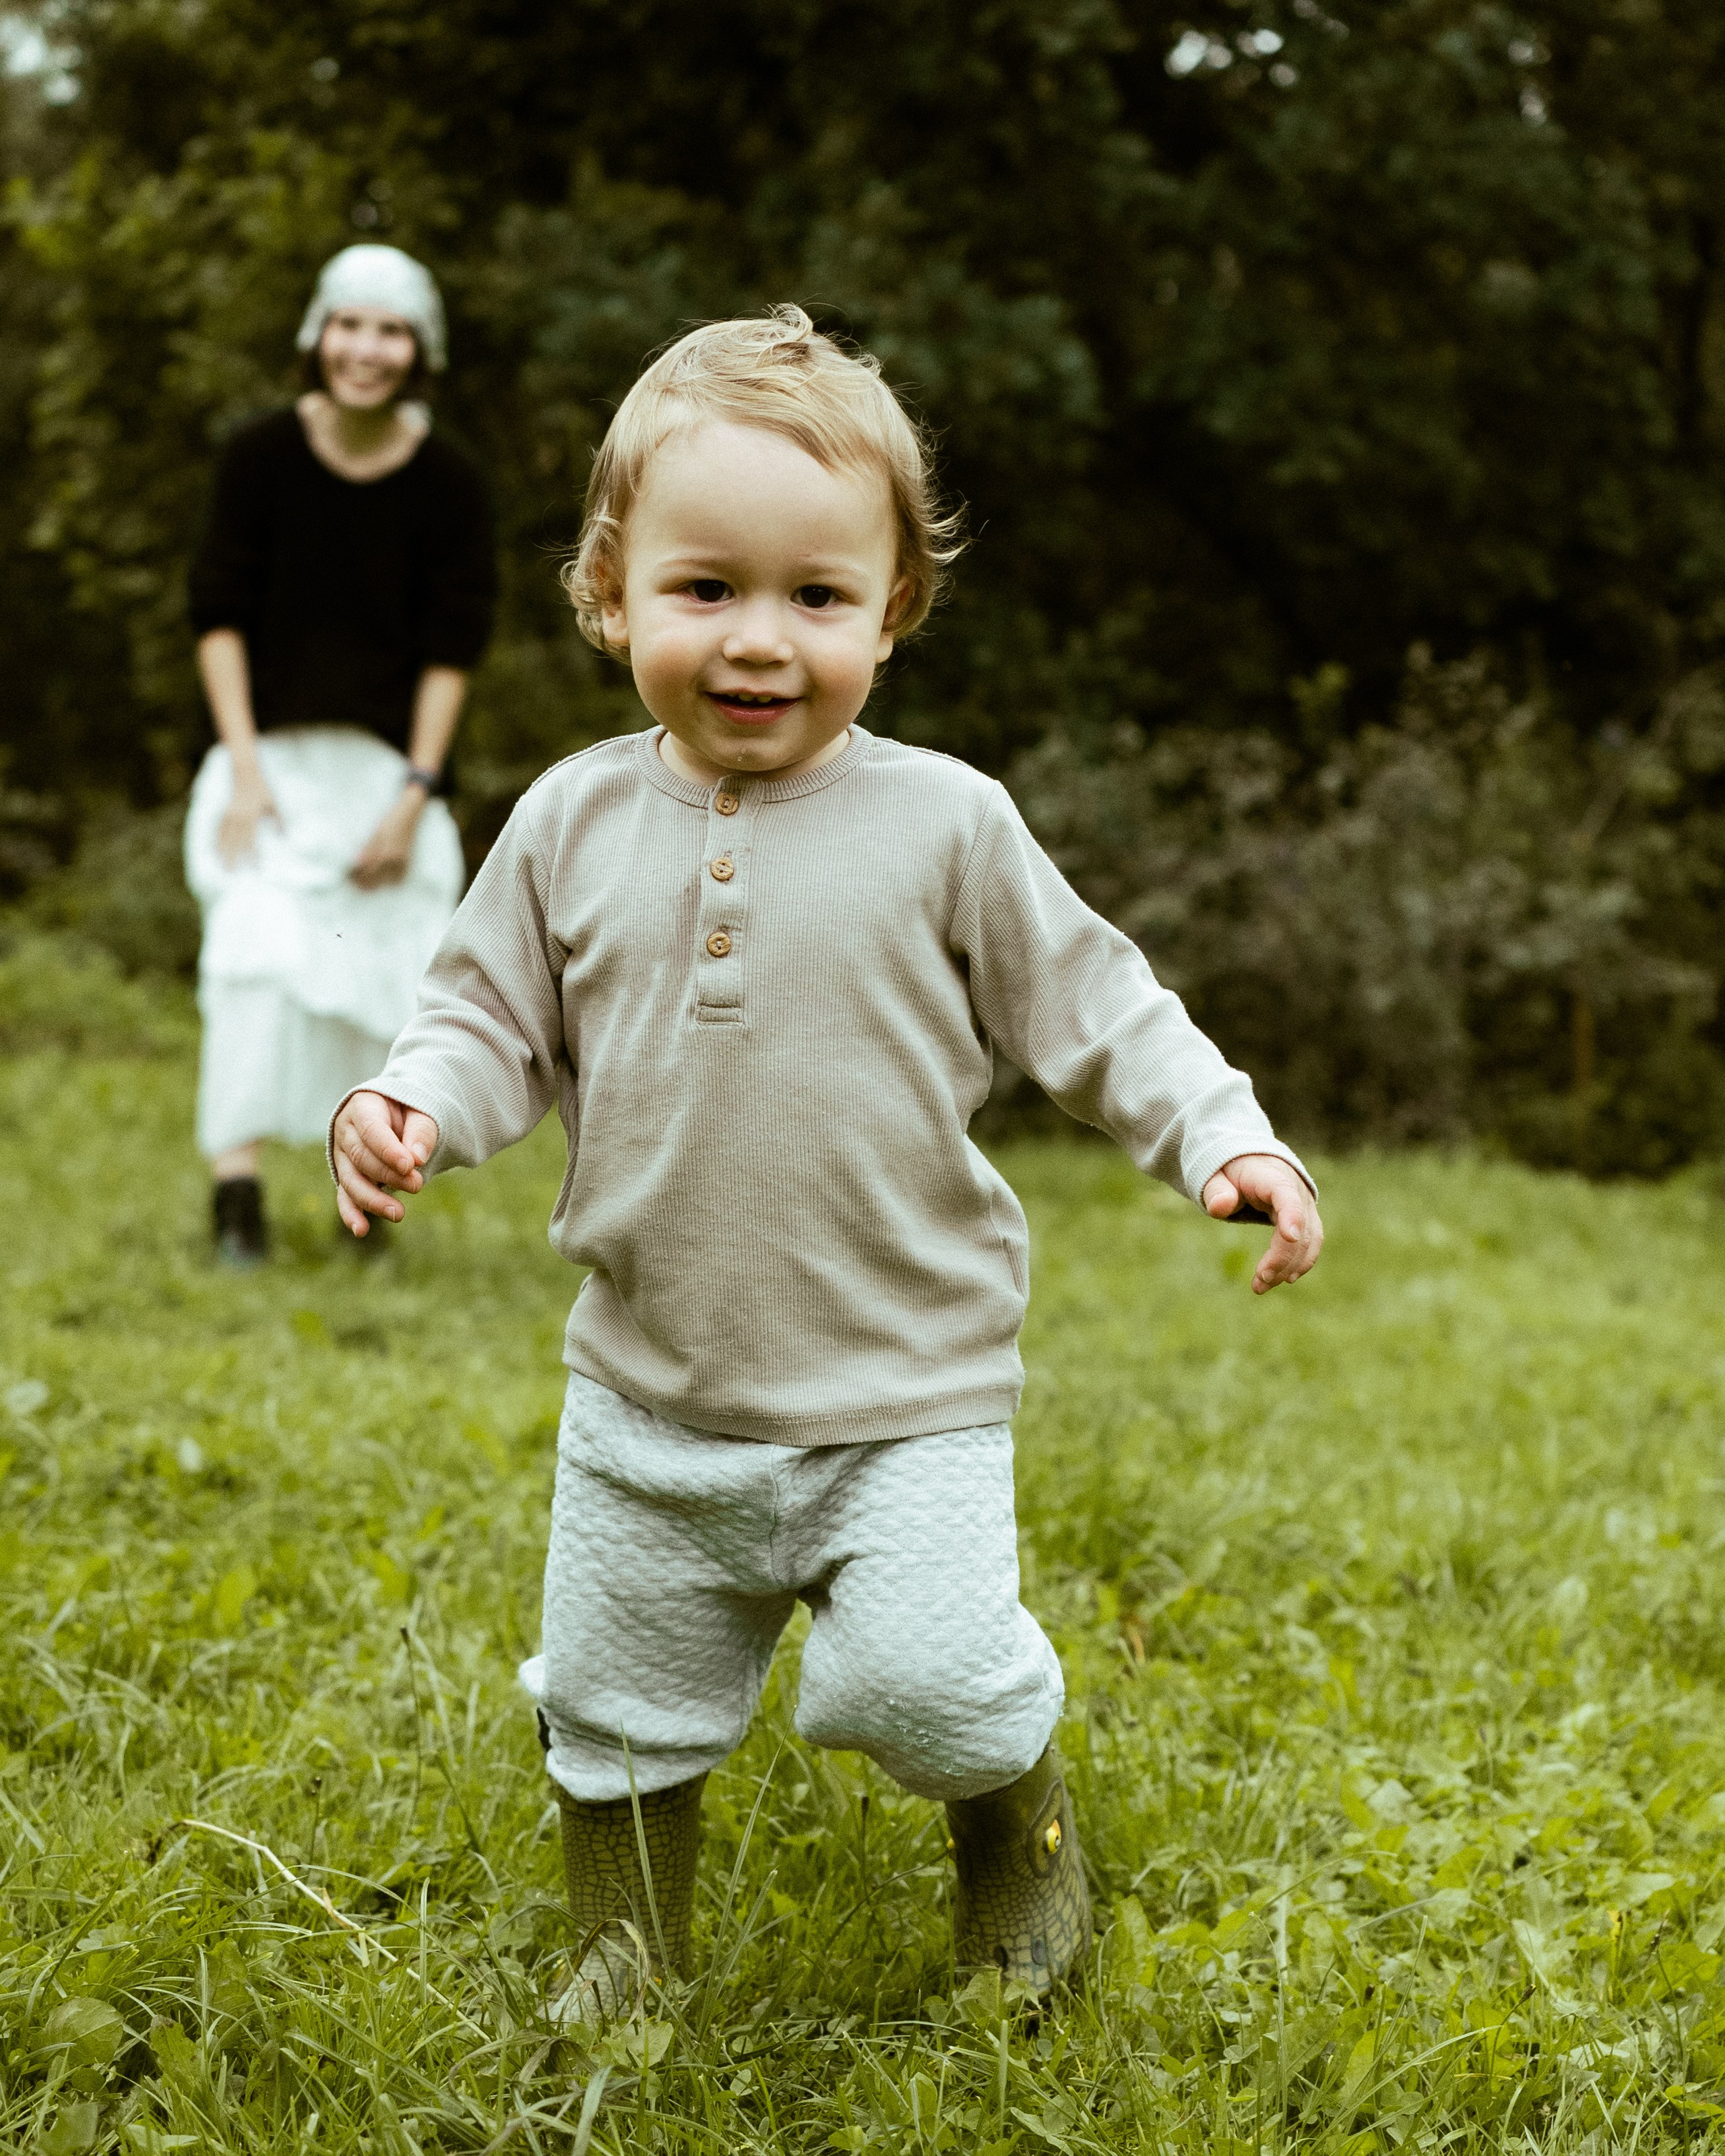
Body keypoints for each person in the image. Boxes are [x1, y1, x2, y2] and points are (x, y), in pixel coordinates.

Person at [328, 306, 1323, 2012]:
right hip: (649, 1389)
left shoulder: (947, 824)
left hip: (906, 1390)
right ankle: (625, 1949)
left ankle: (1021, 1851)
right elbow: (491, 1021)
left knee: (933, 1681)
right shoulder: (566, 820)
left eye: (817, 596)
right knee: (617, 1702)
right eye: (704, 589)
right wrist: (414, 1103)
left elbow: (1098, 1004)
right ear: (610, 592)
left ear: (891, 611)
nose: (757, 642)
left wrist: (1218, 1130)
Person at [185, 244, 496, 1265]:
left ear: (420, 349)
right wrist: (241, 772)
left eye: (392, 329)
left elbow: (453, 649)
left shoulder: (450, 486)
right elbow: (218, 614)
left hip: (384, 778)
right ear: (319, 334)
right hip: (264, 764)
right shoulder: (259, 457)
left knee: (382, 982)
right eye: (350, 324)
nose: (368, 348)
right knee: (251, 960)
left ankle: (363, 1200)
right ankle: (237, 1203)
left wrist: (414, 796)